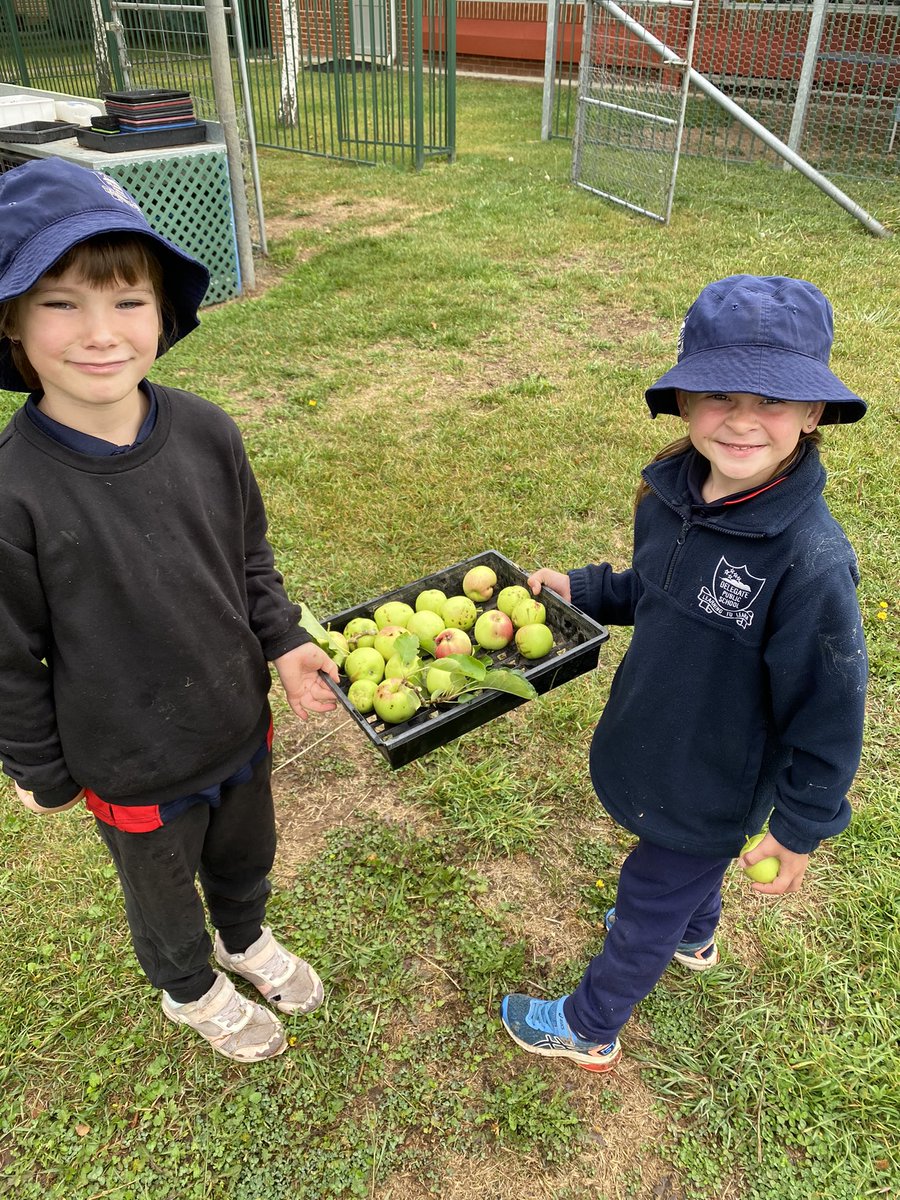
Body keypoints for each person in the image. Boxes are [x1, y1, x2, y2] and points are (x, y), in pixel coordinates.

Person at [0, 158, 340, 1062]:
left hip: (235, 721)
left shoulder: (206, 431)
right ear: (14, 322)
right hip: (130, 759)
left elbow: (248, 559)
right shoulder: (12, 490)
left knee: (244, 855)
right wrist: (39, 766)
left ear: (163, 312)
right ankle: (189, 985)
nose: (101, 332)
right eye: (62, 303)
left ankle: (244, 938)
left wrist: (283, 641)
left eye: (128, 301)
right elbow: (5, 657)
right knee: (160, 889)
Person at [500, 275, 868, 1072]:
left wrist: (801, 827)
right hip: (656, 737)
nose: (740, 419)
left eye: (773, 400)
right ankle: (695, 933)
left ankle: (591, 1024)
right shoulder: (672, 496)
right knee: (677, 887)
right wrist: (586, 590)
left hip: (714, 781)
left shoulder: (810, 562)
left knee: (646, 900)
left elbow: (829, 713)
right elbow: (655, 588)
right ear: (683, 400)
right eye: (717, 394)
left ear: (812, 414)